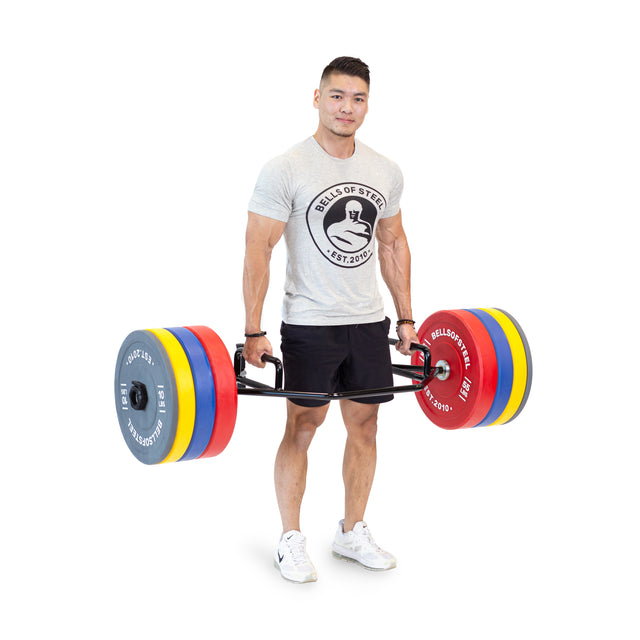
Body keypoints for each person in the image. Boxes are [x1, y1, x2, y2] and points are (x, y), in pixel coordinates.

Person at [242, 56, 419, 583]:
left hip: (367, 321)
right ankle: (290, 539)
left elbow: (392, 243)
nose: (347, 108)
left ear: (368, 104)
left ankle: (351, 531)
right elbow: (258, 249)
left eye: (358, 98)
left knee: (366, 425)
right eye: (337, 96)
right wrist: (253, 330)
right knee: (303, 424)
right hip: (309, 322)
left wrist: (406, 319)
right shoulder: (286, 167)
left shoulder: (384, 170)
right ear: (317, 98)